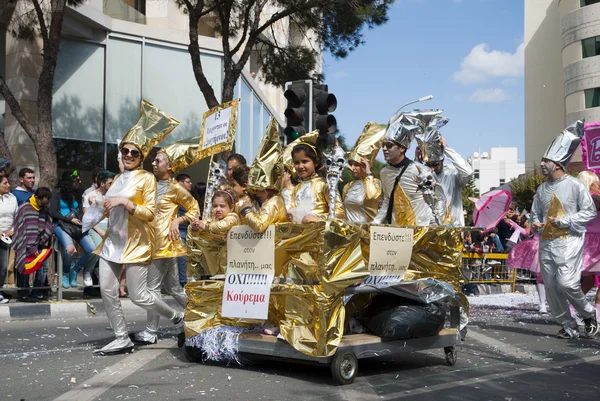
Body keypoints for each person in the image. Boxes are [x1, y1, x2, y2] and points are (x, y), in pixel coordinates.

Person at [94, 101, 182, 354]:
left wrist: (126, 202)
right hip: (113, 242)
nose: (129, 155)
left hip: (137, 243)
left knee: (139, 296)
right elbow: (108, 212)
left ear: (142, 156)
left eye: (134, 153)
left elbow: (149, 213)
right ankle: (121, 337)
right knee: (106, 290)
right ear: (120, 154)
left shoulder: (146, 178)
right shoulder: (119, 178)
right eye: (125, 152)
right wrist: (99, 203)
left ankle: (177, 317)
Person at [531, 120, 598, 339]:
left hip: (570, 240)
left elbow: (590, 212)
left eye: (546, 160)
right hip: (547, 243)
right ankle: (567, 324)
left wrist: (566, 220)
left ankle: (588, 314)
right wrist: (536, 225)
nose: (542, 164)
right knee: (551, 287)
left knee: (567, 283)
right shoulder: (541, 189)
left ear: (558, 163)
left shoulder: (575, 185)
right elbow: (534, 216)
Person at [130, 143, 200, 346]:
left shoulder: (175, 188)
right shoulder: (150, 183)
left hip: (162, 242)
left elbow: (194, 208)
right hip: (153, 240)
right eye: (153, 160)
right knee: (172, 286)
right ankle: (200, 316)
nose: (153, 163)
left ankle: (151, 331)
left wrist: (177, 220)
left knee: (152, 289)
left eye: (157, 160)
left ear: (169, 167)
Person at [372, 111, 445, 226]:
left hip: (420, 232)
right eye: (383, 145)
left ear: (401, 148)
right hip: (396, 234)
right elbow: (387, 200)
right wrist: (375, 223)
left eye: (389, 145)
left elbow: (439, 198)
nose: (385, 149)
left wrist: (434, 226)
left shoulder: (420, 171)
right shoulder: (384, 172)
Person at [416, 119, 473, 226]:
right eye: (429, 165)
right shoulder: (424, 177)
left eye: (435, 164)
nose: (432, 169)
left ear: (442, 160)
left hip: (452, 232)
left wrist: (446, 148)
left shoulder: (452, 175)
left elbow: (468, 172)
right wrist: (417, 164)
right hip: (430, 232)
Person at [50, 170, 97, 289]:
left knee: (91, 249)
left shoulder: (78, 193)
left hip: (77, 225)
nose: (79, 182)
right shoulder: (56, 192)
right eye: (77, 180)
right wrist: (70, 220)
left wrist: (81, 219)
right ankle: (65, 273)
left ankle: (75, 271)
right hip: (61, 224)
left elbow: (81, 210)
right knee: (70, 249)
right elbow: (53, 212)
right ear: (69, 181)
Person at [238, 122, 288, 232]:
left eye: (259, 190)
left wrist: (246, 210)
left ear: (268, 189)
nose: (255, 193)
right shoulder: (265, 201)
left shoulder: (274, 202)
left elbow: (260, 226)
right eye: (254, 189)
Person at [287, 142, 346, 222]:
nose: (300, 166)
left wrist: (319, 219)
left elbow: (340, 214)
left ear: (316, 162)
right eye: (297, 163)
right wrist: (290, 216)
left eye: (305, 161)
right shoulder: (296, 188)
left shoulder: (324, 184)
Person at [12, 187, 54, 301]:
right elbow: (20, 229)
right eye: (42, 202)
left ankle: (38, 291)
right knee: (24, 267)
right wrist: (30, 247)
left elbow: (49, 224)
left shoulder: (45, 208)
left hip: (41, 243)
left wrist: (44, 238)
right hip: (25, 244)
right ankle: (23, 293)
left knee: (42, 268)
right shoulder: (24, 208)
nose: (43, 205)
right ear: (36, 197)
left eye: (46, 202)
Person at [343, 122, 385, 224]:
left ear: (365, 165)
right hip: (351, 234)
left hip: (368, 233)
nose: (353, 168)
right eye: (351, 164)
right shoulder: (347, 187)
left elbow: (371, 196)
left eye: (357, 164)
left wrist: (368, 173)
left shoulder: (375, 182)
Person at [82, 170, 115, 287]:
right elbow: (87, 219)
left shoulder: (113, 196)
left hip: (110, 226)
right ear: (102, 184)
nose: (112, 185)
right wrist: (100, 231)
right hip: (95, 226)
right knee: (97, 248)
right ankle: (87, 271)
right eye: (110, 183)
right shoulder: (89, 196)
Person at [577, 170, 600, 314]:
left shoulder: (578, 200)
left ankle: (572, 308)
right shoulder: (595, 198)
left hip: (586, 242)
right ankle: (598, 315)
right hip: (597, 242)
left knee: (588, 282)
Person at [0, 176, 17, 303]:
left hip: (6, 237)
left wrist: (13, 228)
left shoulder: (12, 198)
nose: (8, 185)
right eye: (5, 183)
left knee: (4, 266)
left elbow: (17, 216)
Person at [176, 173, 193, 287]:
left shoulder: (189, 197)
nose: (190, 184)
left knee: (187, 257)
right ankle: (182, 282)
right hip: (179, 230)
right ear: (180, 183)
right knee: (181, 257)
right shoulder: (175, 196)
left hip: (188, 230)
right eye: (188, 181)